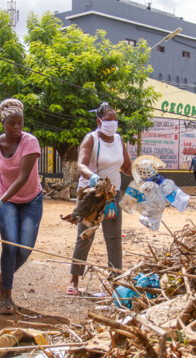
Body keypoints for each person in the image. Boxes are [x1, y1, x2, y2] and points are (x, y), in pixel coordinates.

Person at [0, 98, 43, 315]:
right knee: (10, 246)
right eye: (11, 124)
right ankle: (6, 297)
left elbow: (23, 176)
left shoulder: (30, 142)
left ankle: (2, 276)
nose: (16, 128)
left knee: (25, 248)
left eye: (20, 123)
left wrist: (1, 199)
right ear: (3, 123)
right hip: (5, 201)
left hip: (31, 199)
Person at [67, 101, 132, 296]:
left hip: (112, 196)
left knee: (114, 238)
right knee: (85, 236)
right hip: (92, 196)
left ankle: (115, 281)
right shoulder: (91, 139)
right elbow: (81, 165)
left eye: (115, 120)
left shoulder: (119, 140)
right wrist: (92, 176)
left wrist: (141, 172)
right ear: (98, 121)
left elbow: (126, 167)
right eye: (108, 120)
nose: (112, 123)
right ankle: (74, 280)